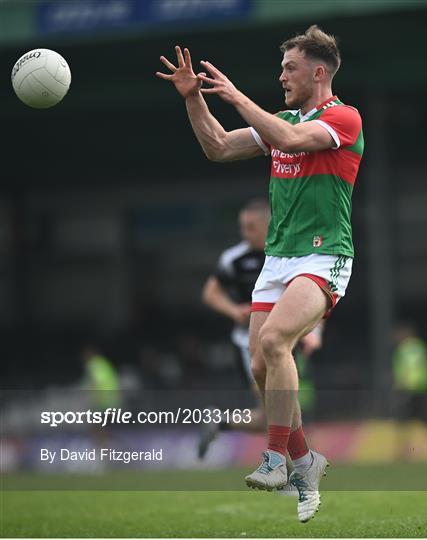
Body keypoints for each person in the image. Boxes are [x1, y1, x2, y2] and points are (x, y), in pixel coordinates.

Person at [157, 25, 364, 522]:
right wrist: (194, 100)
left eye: (289, 68)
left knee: (275, 344)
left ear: (318, 72)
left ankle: (274, 460)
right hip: (279, 260)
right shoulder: (282, 120)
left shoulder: (343, 117)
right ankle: (304, 459)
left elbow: (291, 137)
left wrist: (234, 95)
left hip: (323, 256)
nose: (282, 76)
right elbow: (218, 147)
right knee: (260, 368)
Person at [198, 199, 323, 459]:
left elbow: (315, 295)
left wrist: (314, 332)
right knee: (278, 409)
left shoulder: (293, 253)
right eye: (242, 227)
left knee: (273, 412)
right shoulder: (234, 258)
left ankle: (220, 421)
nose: (245, 233)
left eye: (251, 227)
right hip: (248, 342)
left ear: (270, 225)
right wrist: (235, 311)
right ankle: (288, 473)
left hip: (286, 339)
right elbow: (211, 293)